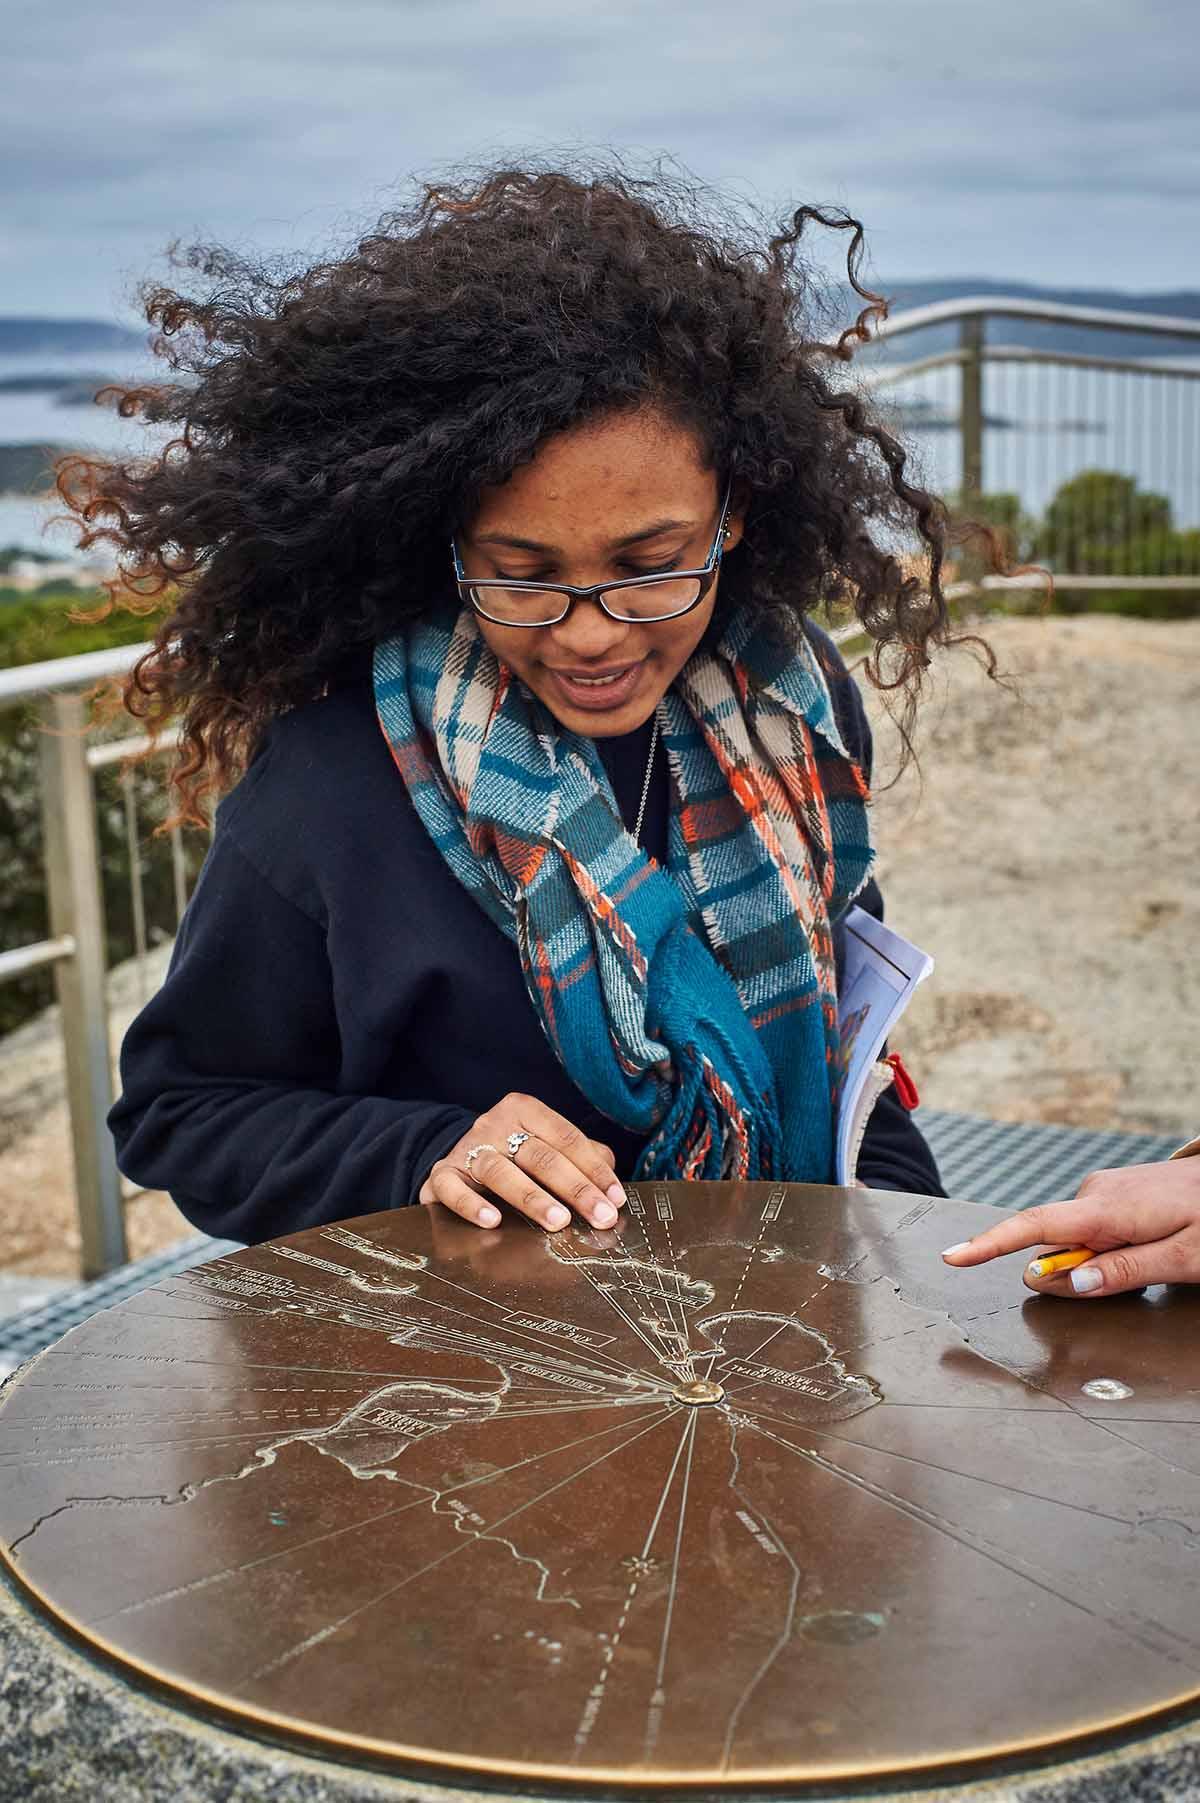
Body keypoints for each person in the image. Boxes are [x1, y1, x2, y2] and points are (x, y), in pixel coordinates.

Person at [65, 165, 970, 1248]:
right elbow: (185, 1115)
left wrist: (928, 1257)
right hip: (468, 1379)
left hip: (765, 1335)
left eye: (651, 562)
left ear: (736, 516)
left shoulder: (792, 708)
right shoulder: (334, 781)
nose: (590, 633)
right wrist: (427, 1152)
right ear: (441, 545)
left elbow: (843, 1046)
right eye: (521, 572)